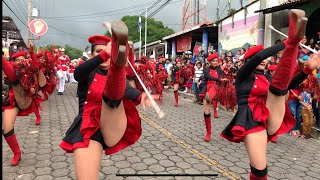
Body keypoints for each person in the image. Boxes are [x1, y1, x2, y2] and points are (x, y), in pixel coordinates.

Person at [220, 10, 318, 179]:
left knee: (279, 89)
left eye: (265, 59)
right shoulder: (243, 75)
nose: (264, 61)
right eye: (261, 59)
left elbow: (290, 84)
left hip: (270, 113)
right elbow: (257, 57)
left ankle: (293, 43)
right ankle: (293, 41)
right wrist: (285, 43)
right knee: (260, 172)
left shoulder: (267, 77)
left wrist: (307, 70)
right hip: (251, 120)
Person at [59, 21, 155, 179]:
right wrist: (105, 54)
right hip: (87, 128)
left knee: (114, 89)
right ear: (92, 55)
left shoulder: (116, 77)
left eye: (109, 52)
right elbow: (77, 73)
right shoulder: (88, 71)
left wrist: (140, 96)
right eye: (99, 52)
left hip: (112, 120)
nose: (105, 55)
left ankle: (118, 66)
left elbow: (126, 89)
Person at [2, 49, 46, 166]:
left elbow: (38, 72)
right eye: (17, 60)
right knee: (7, 130)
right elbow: (9, 72)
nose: (20, 62)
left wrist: (32, 53)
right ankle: (17, 152)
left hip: (28, 98)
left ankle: (38, 117)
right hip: (13, 100)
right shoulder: (12, 72)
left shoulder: (31, 70)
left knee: (36, 103)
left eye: (23, 60)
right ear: (13, 61)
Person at [201, 53, 225, 142]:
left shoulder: (219, 70)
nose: (215, 62)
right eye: (213, 61)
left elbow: (222, 77)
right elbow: (208, 76)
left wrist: (223, 80)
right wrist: (218, 79)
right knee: (206, 111)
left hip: (216, 88)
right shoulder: (206, 69)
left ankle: (215, 110)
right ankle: (208, 132)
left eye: (216, 61)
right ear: (210, 62)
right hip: (207, 87)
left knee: (213, 98)